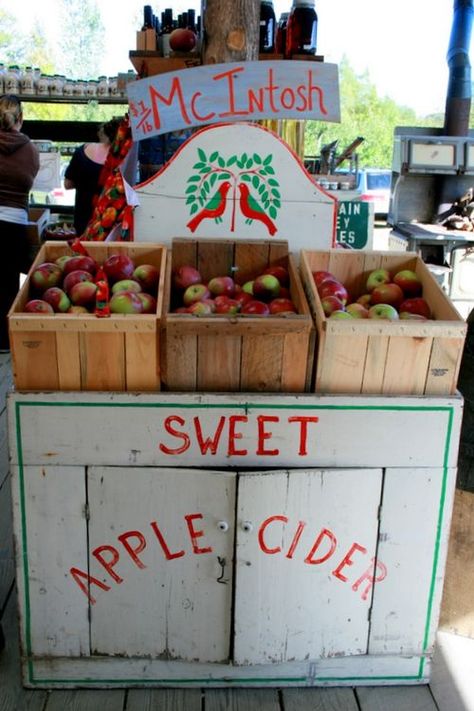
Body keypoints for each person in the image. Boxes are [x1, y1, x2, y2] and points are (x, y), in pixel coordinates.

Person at [0, 94, 39, 352]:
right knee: (8, 284)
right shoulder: (31, 151)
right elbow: (28, 182)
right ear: (21, 119)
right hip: (14, 223)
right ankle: (4, 342)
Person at [64, 117, 121, 237]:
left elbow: (67, 184)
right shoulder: (122, 159)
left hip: (83, 222)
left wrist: (85, 181)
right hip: (110, 224)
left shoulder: (82, 151)